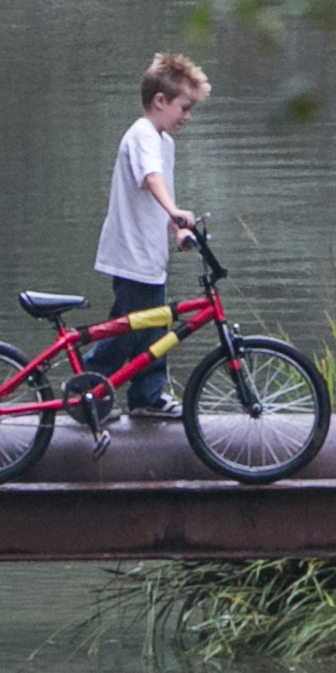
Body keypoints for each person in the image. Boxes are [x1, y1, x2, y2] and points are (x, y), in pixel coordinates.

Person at [90, 50, 208, 416]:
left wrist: (177, 229)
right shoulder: (142, 135)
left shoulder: (163, 143)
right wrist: (175, 211)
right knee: (129, 329)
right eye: (183, 108)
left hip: (150, 254)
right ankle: (92, 390)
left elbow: (163, 192)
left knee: (156, 325)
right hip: (130, 253)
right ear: (160, 101)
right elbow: (151, 178)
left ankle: (146, 396)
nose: (186, 117)